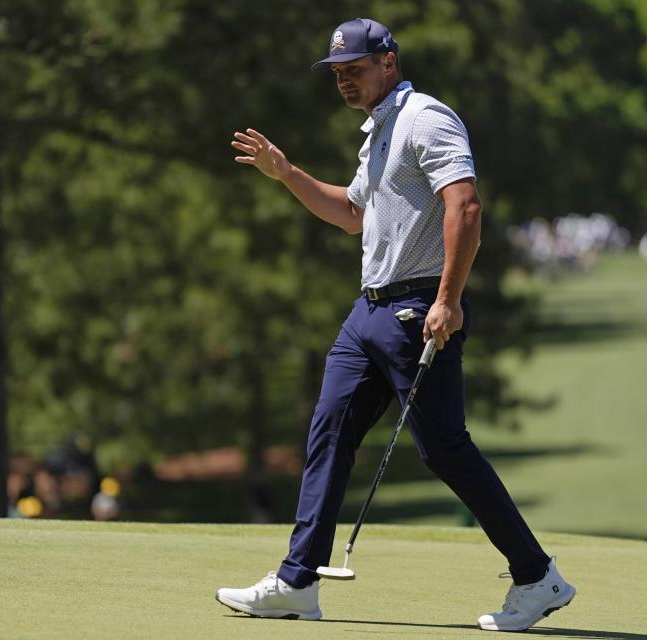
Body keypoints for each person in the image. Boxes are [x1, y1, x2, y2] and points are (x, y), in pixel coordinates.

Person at [217, 18, 575, 632]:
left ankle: (537, 576)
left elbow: (464, 204)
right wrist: (287, 174)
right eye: (337, 74)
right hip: (369, 311)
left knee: (445, 450)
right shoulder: (378, 132)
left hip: (416, 309)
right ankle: (299, 581)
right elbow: (353, 215)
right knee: (329, 431)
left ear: (389, 61)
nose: (345, 81)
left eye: (355, 68)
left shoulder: (426, 119)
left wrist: (449, 298)